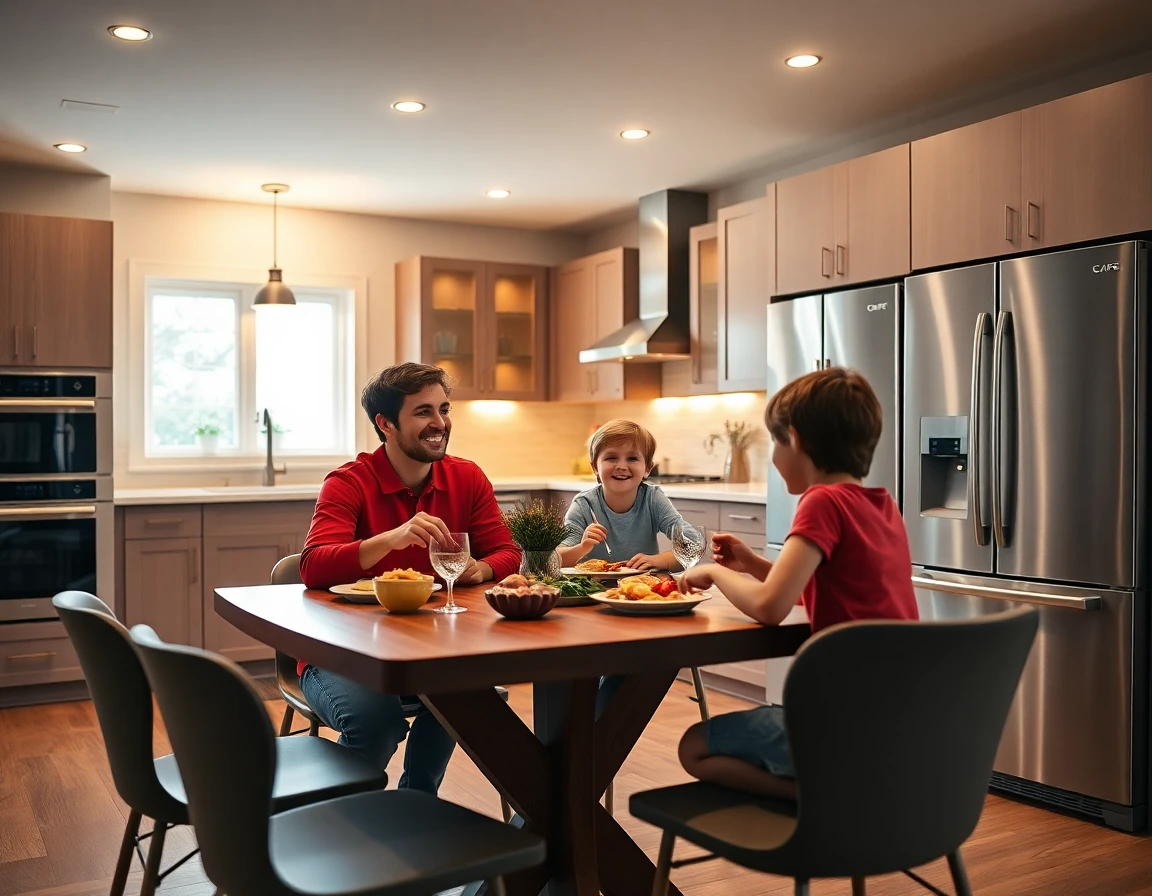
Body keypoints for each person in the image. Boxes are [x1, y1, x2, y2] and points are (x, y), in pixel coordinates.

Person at [677, 367, 918, 800]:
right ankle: (855, 789)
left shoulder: (822, 501)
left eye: (775, 441)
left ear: (797, 439)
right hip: (892, 725)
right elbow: (817, 584)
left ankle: (834, 799)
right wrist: (751, 564)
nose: (773, 454)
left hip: (837, 727)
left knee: (694, 746)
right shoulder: (883, 506)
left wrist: (714, 572)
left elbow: (771, 607)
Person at [298, 362, 520, 793]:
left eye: (444, 408)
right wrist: (389, 540)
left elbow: (508, 552)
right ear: (386, 424)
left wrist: (483, 569)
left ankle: (417, 803)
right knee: (376, 724)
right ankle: (343, 824)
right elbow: (313, 566)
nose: (440, 423)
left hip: (433, 650)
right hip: (343, 653)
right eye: (423, 412)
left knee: (475, 701)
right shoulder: (348, 482)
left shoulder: (467, 477)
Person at [558, 419, 686, 572]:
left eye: (632, 458)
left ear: (648, 468)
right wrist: (582, 548)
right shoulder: (584, 505)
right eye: (611, 458)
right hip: (593, 591)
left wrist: (659, 560)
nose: (621, 466)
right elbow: (557, 559)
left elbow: (692, 545)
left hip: (644, 590)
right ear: (595, 467)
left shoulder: (652, 499)